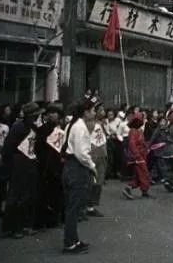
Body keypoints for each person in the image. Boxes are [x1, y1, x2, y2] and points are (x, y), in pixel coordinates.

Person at [61, 99, 98, 254]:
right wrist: (92, 166)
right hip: (77, 167)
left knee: (72, 207)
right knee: (74, 208)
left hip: (69, 166)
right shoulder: (80, 127)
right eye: (93, 110)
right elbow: (82, 153)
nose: (94, 113)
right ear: (86, 112)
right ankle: (69, 243)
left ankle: (74, 239)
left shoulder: (72, 124)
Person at [2, 102, 42, 239]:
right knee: (17, 196)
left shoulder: (34, 127)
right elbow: (8, 148)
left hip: (30, 163)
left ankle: (26, 225)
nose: (37, 117)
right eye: (35, 115)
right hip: (19, 163)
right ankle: (13, 228)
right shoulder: (18, 128)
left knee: (29, 195)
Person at [33, 103, 65, 229]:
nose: (52, 115)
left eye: (55, 112)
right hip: (45, 164)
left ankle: (54, 220)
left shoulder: (61, 130)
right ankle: (42, 221)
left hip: (57, 164)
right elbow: (37, 147)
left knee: (56, 193)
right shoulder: (42, 129)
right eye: (50, 112)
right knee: (43, 194)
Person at [122, 113, 154, 200]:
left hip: (142, 155)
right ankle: (144, 190)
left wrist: (147, 147)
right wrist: (137, 155)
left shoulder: (138, 131)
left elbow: (142, 143)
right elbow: (132, 144)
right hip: (138, 157)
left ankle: (130, 188)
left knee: (138, 175)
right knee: (144, 173)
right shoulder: (133, 131)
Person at [86, 103, 108, 217]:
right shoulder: (89, 124)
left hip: (101, 155)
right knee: (92, 181)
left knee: (98, 182)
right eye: (100, 110)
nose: (103, 112)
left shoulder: (100, 123)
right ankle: (88, 206)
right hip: (94, 156)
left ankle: (92, 205)